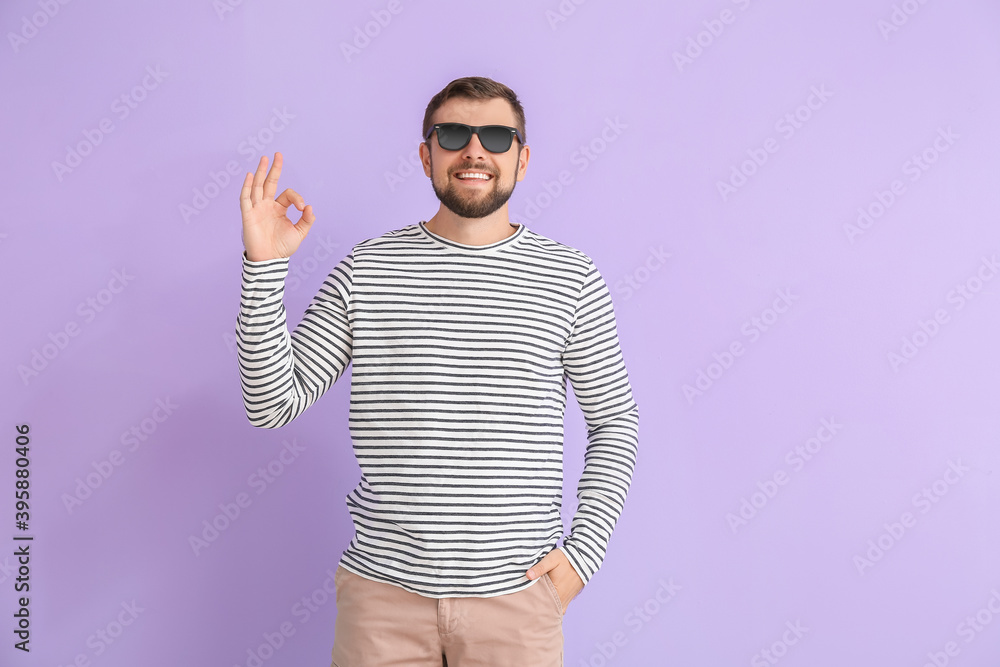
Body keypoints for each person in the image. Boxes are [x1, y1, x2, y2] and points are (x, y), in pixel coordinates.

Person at [236, 76, 639, 666]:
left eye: (497, 137)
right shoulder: (368, 269)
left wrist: (582, 557)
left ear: (521, 160)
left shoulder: (570, 278)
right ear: (427, 155)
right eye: (453, 134)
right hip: (383, 600)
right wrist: (264, 267)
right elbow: (271, 405)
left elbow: (616, 423)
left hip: (519, 601)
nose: (475, 150)